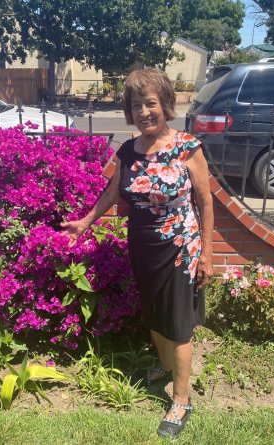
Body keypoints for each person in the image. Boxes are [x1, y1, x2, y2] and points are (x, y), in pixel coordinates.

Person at [61, 68, 214, 438]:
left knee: (178, 322)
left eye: (150, 103)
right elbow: (114, 192)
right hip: (142, 245)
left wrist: (206, 254)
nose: (144, 111)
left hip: (181, 247)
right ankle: (164, 367)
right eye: (136, 105)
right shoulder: (128, 150)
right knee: (154, 311)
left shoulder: (187, 147)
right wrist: (86, 221)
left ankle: (181, 399)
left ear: (165, 104)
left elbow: (206, 203)